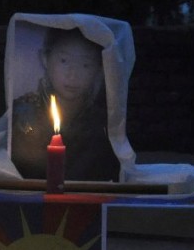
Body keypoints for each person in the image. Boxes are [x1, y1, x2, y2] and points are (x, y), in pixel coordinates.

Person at [10, 27, 121, 182]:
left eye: (85, 64)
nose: (73, 74)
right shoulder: (23, 114)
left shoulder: (103, 123)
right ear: (45, 59)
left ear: (99, 68)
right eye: (64, 61)